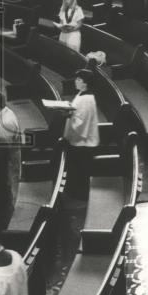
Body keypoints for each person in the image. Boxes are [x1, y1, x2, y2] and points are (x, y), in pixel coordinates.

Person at [62, 69, 100, 201]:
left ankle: (79, 197)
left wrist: (68, 114)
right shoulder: (82, 94)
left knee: (80, 171)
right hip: (80, 141)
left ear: (85, 83)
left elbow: (81, 123)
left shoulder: (87, 99)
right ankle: (75, 194)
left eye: (79, 79)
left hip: (83, 143)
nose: (75, 81)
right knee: (77, 169)